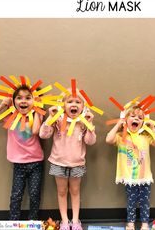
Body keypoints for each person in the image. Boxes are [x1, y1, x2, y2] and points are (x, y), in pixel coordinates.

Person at [39, 92, 96, 230]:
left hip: (77, 164)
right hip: (58, 162)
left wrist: (90, 124)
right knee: (62, 192)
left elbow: (90, 141)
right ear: (62, 105)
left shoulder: (83, 122)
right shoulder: (58, 120)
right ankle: (65, 221)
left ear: (83, 107)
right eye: (70, 101)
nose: (74, 104)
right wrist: (50, 118)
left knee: (75, 192)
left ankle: (75, 221)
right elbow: (43, 134)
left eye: (78, 102)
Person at [0, 85, 44, 220]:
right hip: (18, 163)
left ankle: (33, 220)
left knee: (34, 195)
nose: (23, 101)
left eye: (28, 98)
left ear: (34, 101)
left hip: (36, 162)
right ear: (13, 101)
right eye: (19, 98)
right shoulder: (9, 117)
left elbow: (35, 131)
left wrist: (38, 109)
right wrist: (3, 105)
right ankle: (13, 222)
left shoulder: (36, 116)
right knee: (16, 195)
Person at [106, 105, 155, 230]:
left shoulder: (146, 137)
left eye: (140, 117)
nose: (136, 119)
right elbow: (108, 139)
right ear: (125, 119)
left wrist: (153, 128)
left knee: (144, 202)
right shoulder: (121, 137)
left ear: (143, 122)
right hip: (129, 177)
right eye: (132, 116)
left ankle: (145, 223)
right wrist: (118, 125)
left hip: (144, 177)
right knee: (131, 202)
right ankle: (130, 223)